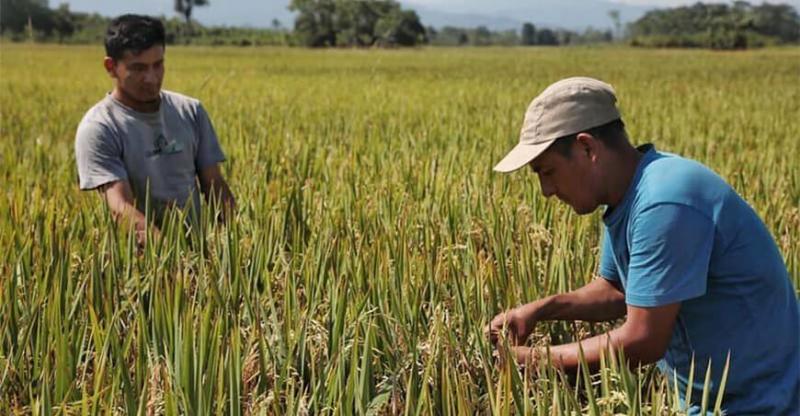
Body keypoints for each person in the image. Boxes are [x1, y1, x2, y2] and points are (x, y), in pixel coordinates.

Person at [487, 77, 799, 414]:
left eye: (547, 171)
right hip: (713, 400)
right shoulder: (629, 196)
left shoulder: (665, 201)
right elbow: (618, 290)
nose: (547, 190)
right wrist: (541, 310)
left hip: (762, 403)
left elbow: (642, 340)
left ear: (587, 148)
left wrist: (537, 361)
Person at [75, 14, 235, 247]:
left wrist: (236, 246)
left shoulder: (190, 110)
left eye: (157, 65)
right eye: (138, 68)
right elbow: (119, 207)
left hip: (198, 253)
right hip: (141, 260)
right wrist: (168, 255)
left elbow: (215, 184)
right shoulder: (100, 127)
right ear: (111, 67)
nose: (151, 78)